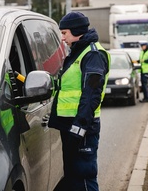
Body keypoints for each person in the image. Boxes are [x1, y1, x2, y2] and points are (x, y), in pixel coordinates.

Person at [48, 12, 110, 191]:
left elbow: (91, 95)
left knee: (83, 178)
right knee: (73, 178)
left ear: (76, 31)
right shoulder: (78, 52)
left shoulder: (93, 55)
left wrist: (79, 128)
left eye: (64, 32)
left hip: (81, 127)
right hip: (70, 125)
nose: (62, 37)